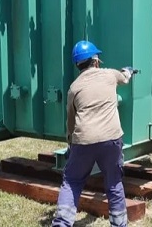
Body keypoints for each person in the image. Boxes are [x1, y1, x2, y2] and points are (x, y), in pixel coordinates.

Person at [52, 40, 133, 227]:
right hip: (111, 139)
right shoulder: (110, 75)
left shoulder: (74, 88)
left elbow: (70, 122)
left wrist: (70, 143)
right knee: (114, 183)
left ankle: (62, 223)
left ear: (77, 65)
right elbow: (125, 77)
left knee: (72, 181)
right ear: (96, 61)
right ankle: (119, 224)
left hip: (83, 141)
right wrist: (128, 70)